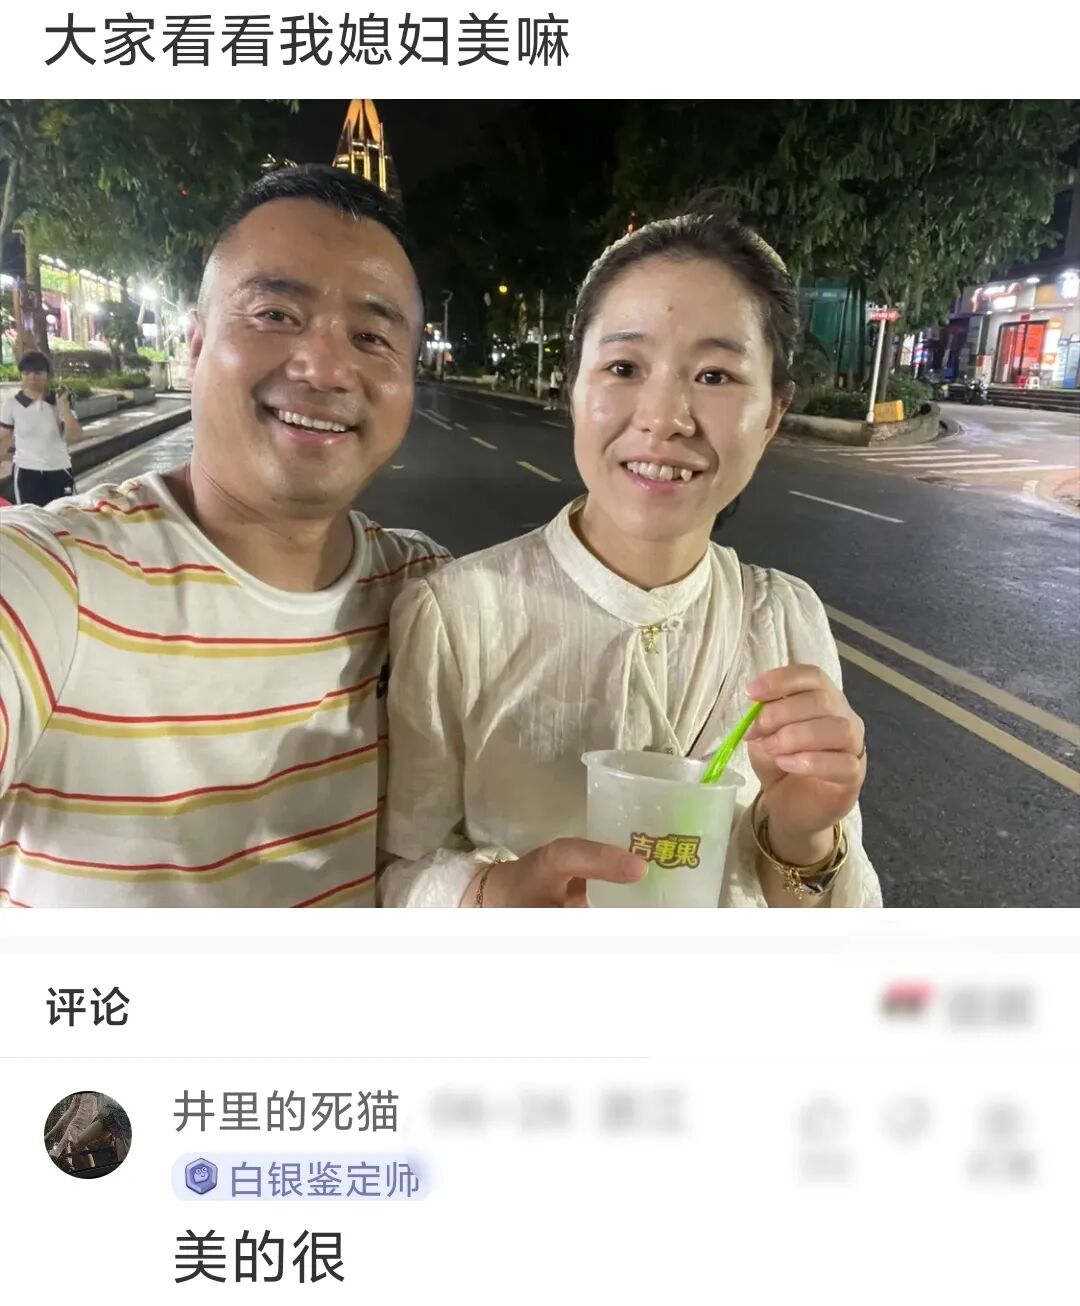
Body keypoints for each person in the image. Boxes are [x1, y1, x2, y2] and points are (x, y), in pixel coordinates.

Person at [382, 212, 881, 908]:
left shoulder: (787, 622)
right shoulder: (458, 617)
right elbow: (400, 871)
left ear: (773, 413)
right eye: (623, 368)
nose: (663, 418)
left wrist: (803, 836)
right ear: (572, 388)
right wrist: (494, 895)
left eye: (715, 375)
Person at [0, 165, 448, 907]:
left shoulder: (426, 596)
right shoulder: (57, 581)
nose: (324, 368)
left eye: (371, 335)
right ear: (196, 343)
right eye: (275, 314)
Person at [0, 351, 82, 506]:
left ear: (47, 374)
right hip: (26, 472)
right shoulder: (12, 403)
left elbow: (75, 436)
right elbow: (4, 437)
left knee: (65, 515)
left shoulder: (59, 400)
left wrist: (63, 408)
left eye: (37, 372)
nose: (32, 377)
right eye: (26, 373)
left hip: (60, 469)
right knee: (32, 518)